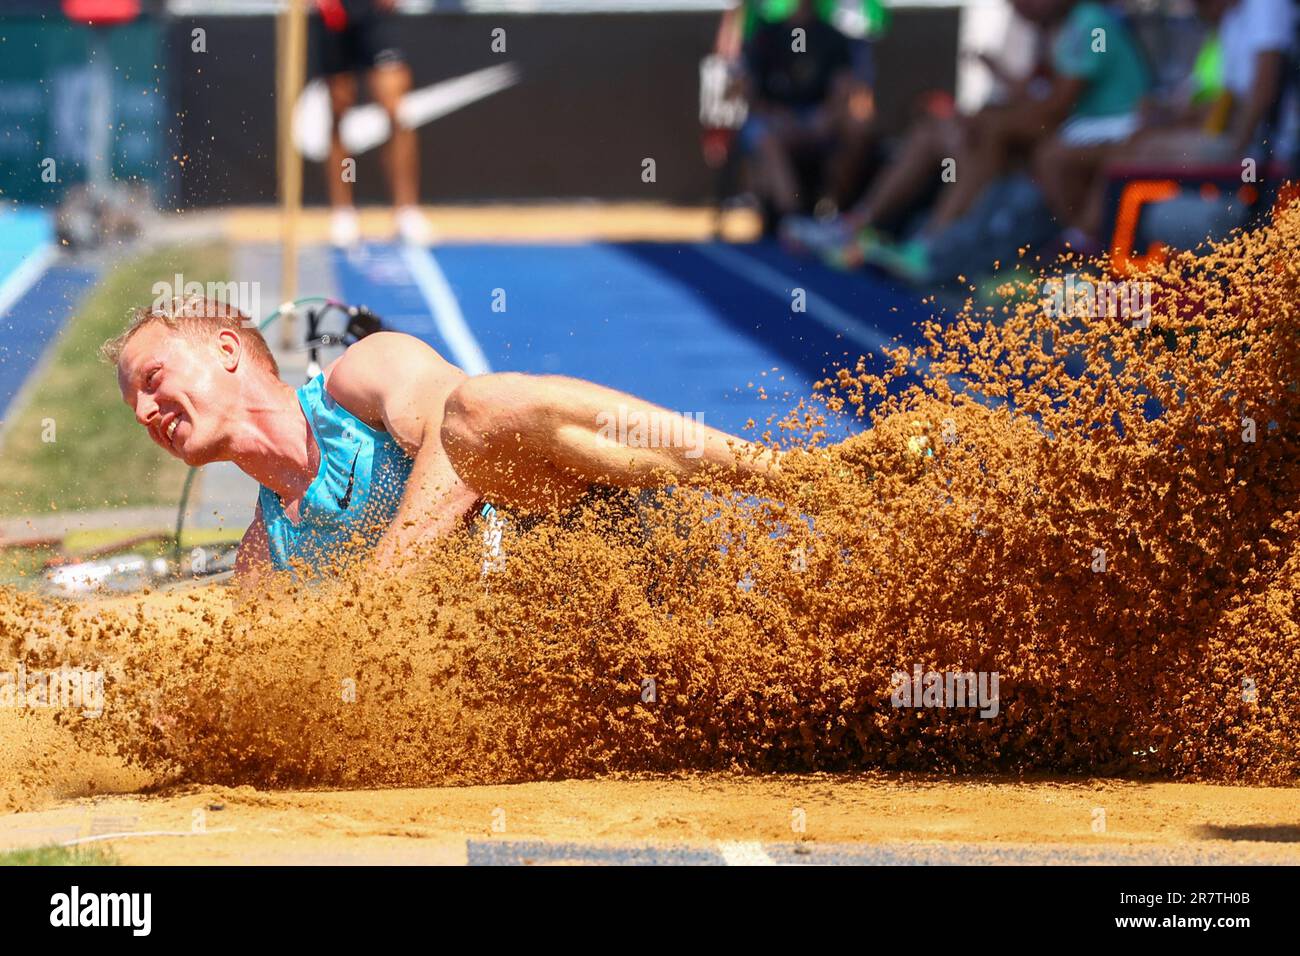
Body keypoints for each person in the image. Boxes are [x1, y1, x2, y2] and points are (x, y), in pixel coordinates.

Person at [101, 300, 778, 583]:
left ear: (226, 351)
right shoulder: (265, 553)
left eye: (153, 379)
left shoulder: (358, 377)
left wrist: (376, 596)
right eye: (134, 402)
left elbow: (465, 446)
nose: (144, 410)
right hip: (577, 648)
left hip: (610, 538)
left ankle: (793, 475)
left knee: (480, 408)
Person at [739, 0, 877, 225]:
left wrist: (825, 117)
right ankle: (792, 216)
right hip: (776, 121)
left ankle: (834, 211)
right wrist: (782, 118)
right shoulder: (766, 36)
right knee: (763, 135)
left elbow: (843, 90)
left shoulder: (833, 37)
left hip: (817, 120)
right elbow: (751, 95)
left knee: (857, 129)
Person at [311, 0, 431, 248]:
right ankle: (344, 212)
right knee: (338, 108)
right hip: (333, 10)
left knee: (396, 107)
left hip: (374, 13)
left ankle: (406, 210)